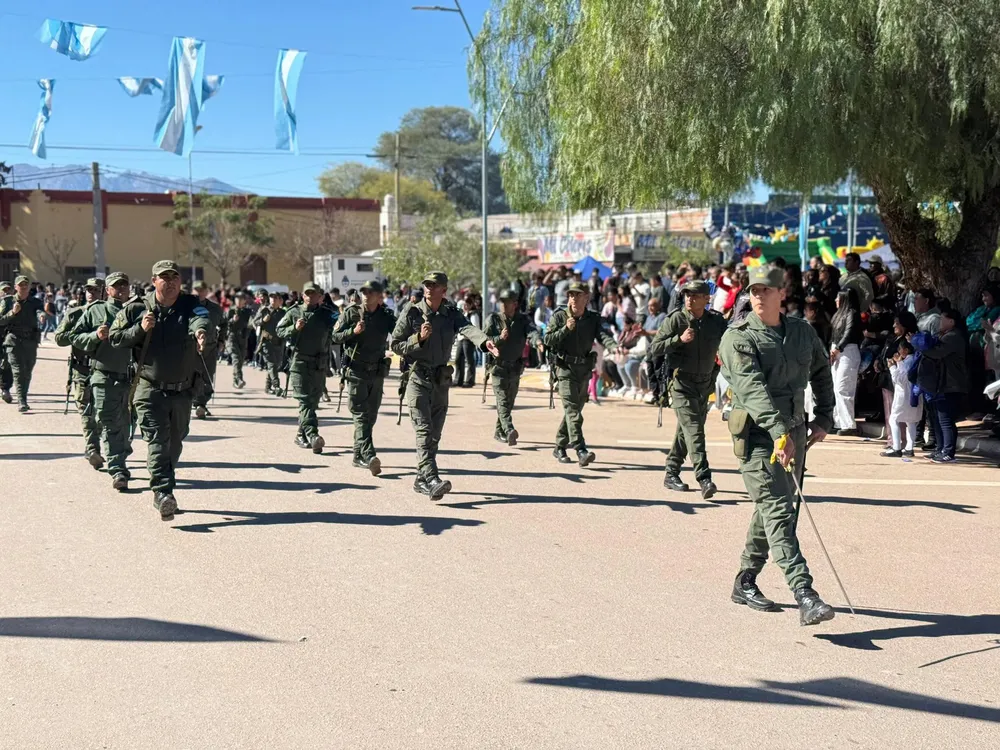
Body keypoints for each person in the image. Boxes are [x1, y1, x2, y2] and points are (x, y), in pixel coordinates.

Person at [719, 265, 837, 626]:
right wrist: (777, 432)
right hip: (758, 435)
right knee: (777, 510)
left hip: (796, 432)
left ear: (781, 293)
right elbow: (752, 390)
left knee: (777, 507)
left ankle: (745, 580)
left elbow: (820, 371)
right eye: (753, 291)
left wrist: (825, 416)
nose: (757, 296)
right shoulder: (738, 337)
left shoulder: (801, 332)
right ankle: (805, 593)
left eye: (765, 290)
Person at [109, 260, 210, 521]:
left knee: (175, 441)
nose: (171, 282)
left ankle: (165, 480)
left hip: (182, 390)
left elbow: (202, 317)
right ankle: (163, 493)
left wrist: (200, 331)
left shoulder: (189, 304)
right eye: (164, 277)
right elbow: (115, 337)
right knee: (156, 440)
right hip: (149, 389)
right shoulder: (137, 307)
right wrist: (139, 330)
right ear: (154, 281)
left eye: (175, 277)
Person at [391, 271, 500, 499]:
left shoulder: (450, 313)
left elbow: (467, 328)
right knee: (424, 430)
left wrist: (484, 341)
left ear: (444, 289)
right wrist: (417, 339)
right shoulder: (411, 312)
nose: (429, 288)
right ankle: (432, 479)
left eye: (434, 285)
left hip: (440, 380)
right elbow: (395, 343)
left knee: (435, 434)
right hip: (417, 378)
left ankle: (421, 478)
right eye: (427, 285)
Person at [651, 280, 728, 498]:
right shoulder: (676, 319)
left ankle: (671, 472)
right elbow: (655, 347)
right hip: (681, 384)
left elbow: (730, 341)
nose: (689, 299)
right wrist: (678, 339)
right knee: (694, 430)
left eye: (695, 295)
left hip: (704, 384)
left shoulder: (715, 321)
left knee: (686, 432)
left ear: (706, 299)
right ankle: (704, 478)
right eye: (687, 295)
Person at [68, 272, 134, 491]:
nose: (121, 289)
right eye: (116, 286)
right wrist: (95, 336)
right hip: (103, 375)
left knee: (127, 424)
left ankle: (121, 453)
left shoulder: (137, 311)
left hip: (131, 378)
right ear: (108, 290)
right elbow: (75, 337)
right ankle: (118, 469)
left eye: (124, 285)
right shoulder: (96, 310)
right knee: (107, 421)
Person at [544, 281, 619, 466]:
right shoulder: (560, 316)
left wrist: (614, 346)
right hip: (564, 369)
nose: (573, 299)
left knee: (574, 410)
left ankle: (560, 446)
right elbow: (548, 339)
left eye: (578, 295)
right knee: (572, 410)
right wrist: (565, 329)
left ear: (587, 298)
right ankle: (581, 449)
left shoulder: (592, 318)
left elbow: (602, 335)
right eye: (571, 295)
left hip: (584, 370)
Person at [331, 279, 396, 475]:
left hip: (376, 372)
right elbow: (334, 337)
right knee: (360, 414)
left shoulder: (386, 316)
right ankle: (369, 455)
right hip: (356, 371)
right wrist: (353, 331)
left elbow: (399, 334)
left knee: (371, 416)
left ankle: (358, 455)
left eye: (371, 292)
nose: (366, 295)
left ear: (379, 295)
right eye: (364, 292)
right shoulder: (351, 312)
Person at [277, 282, 337, 454]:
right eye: (307, 294)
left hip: (319, 364)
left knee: (313, 402)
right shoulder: (294, 312)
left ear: (320, 296)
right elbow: (279, 330)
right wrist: (293, 328)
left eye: (314, 294)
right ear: (303, 295)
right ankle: (313, 435)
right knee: (305, 401)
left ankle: (300, 434)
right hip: (300, 363)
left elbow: (339, 328)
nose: (310, 297)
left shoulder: (327, 315)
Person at [54, 278, 104, 468]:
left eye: (96, 289)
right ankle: (92, 448)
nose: (91, 293)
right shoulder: (75, 314)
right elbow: (59, 338)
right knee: (85, 411)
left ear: (103, 292)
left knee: (102, 412)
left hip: (105, 370)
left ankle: (95, 444)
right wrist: (76, 333)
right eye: (88, 289)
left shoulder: (110, 312)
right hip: (81, 369)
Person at [485, 288, 543, 445]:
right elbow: (485, 341)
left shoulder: (522, 320)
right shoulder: (493, 319)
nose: (503, 305)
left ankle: (499, 431)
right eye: (501, 302)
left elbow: (532, 332)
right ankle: (509, 429)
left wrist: (537, 342)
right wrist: (499, 338)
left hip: (514, 368)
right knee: (502, 401)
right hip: (498, 368)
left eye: (507, 302)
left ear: (515, 304)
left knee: (509, 402)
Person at [917, 309, 969, 463]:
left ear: (951, 322)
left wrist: (920, 346)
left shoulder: (953, 337)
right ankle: (940, 449)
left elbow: (936, 353)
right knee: (937, 419)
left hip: (951, 384)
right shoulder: (943, 335)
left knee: (945, 419)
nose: (939, 323)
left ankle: (948, 452)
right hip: (940, 384)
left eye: (942, 319)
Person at [0, 274, 45, 412]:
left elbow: (39, 311)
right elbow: (1, 320)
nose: (24, 287)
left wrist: (41, 315)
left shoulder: (36, 302)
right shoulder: (7, 302)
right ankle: (22, 401)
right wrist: (12, 313)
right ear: (15, 287)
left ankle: (22, 396)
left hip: (30, 341)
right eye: (21, 285)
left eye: (26, 285)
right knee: (18, 370)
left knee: (27, 371)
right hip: (13, 340)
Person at [191, 280, 227, 419]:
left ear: (207, 291)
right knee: (191, 375)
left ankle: (201, 403)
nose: (199, 293)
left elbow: (224, 324)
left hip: (210, 347)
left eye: (201, 290)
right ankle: (193, 401)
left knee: (207, 375)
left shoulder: (215, 309)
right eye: (196, 290)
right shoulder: (186, 307)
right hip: (191, 347)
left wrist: (221, 340)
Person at [882, 340, 922, 458]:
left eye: (900, 349)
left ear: (906, 350)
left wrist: (892, 367)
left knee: (894, 419)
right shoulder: (913, 360)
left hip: (904, 395)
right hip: (913, 395)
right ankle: (909, 448)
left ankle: (896, 448)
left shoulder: (909, 361)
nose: (898, 352)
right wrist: (899, 363)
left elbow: (901, 379)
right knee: (910, 421)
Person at [254, 291, 287, 396]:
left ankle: (268, 387)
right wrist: (263, 320)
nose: (273, 300)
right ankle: (277, 386)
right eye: (271, 298)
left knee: (276, 365)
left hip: (279, 343)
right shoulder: (265, 310)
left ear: (279, 300)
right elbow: (254, 322)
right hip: (266, 343)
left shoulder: (283, 313)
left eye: (275, 298)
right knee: (271, 364)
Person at [226, 291, 253, 389]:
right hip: (232, 337)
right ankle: (239, 379)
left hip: (243, 337)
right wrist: (232, 320)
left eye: (241, 299)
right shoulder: (230, 311)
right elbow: (224, 325)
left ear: (245, 300)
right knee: (236, 358)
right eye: (237, 299)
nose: (239, 301)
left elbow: (251, 323)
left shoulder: (247, 312)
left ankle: (235, 381)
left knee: (240, 360)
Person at [0, 281, 13, 403]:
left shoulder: (13, 303)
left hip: (7, 336)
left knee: (6, 363)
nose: (6, 292)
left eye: (8, 289)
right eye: (4, 290)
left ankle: (5, 389)